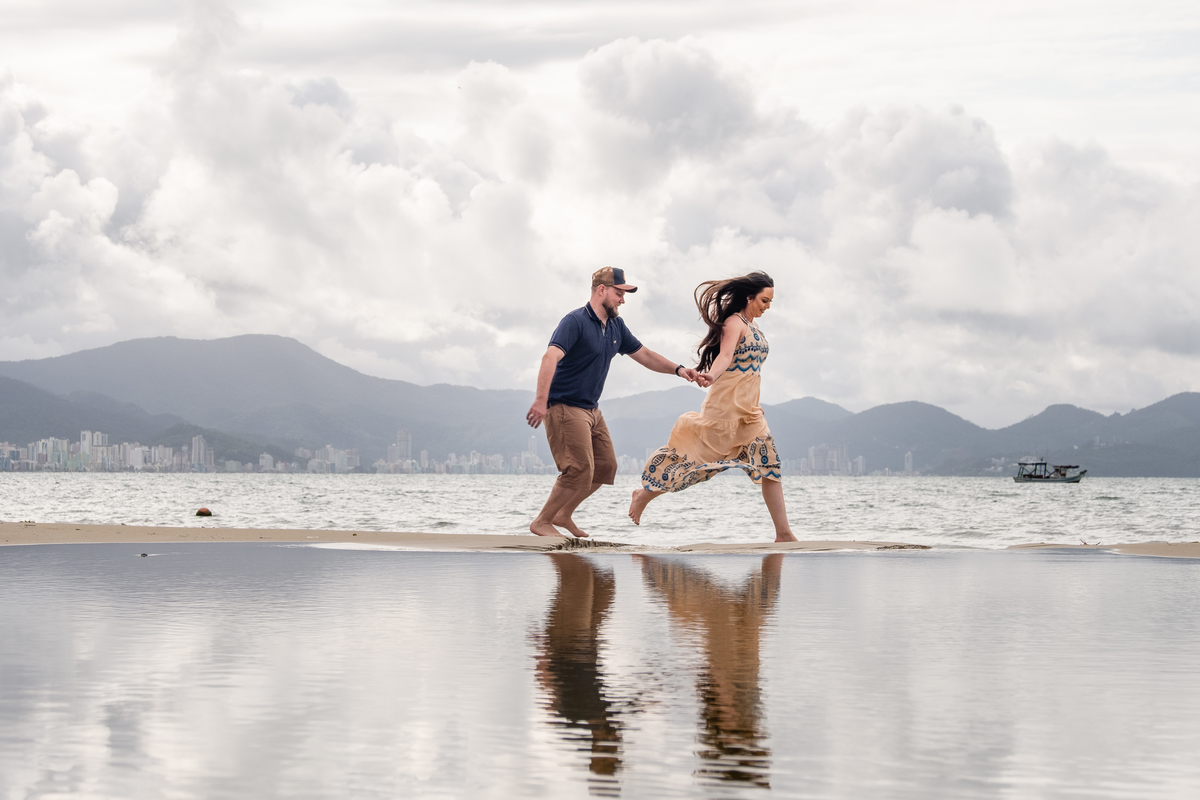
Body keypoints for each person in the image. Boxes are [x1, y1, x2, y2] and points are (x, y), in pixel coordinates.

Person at [526, 267, 703, 538]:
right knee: (579, 469)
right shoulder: (574, 322)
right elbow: (550, 358)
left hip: (591, 409)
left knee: (606, 466)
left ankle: (563, 515)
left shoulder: (616, 326)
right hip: (564, 406)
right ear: (601, 290)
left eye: (624, 294)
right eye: (619, 293)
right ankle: (542, 522)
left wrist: (679, 370)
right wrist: (540, 401)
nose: (623, 300)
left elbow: (643, 354)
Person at [627, 272, 799, 543]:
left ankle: (784, 533)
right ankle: (645, 494)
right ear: (749, 297)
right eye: (764, 300)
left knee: (770, 465)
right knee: (698, 464)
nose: (767, 306)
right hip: (724, 408)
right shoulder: (734, 322)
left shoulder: (754, 327)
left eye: (771, 302)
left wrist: (753, 401)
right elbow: (726, 355)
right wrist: (711, 375)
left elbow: (749, 372)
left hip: (749, 411)